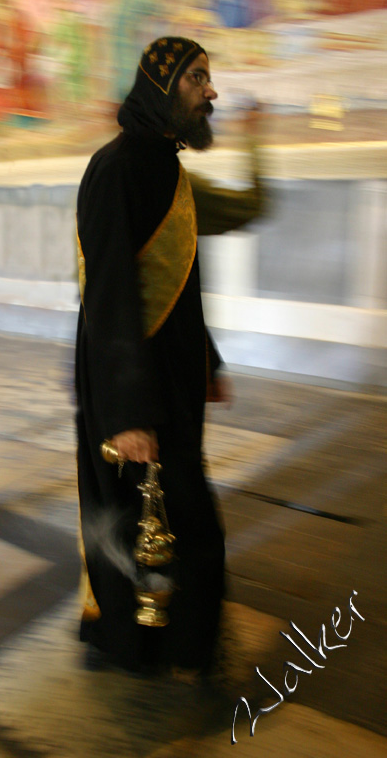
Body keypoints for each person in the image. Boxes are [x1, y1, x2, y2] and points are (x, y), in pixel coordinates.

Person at [75, 36, 263, 678]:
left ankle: (175, 642)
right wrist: (127, 414)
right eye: (197, 79)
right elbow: (110, 296)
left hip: (169, 382)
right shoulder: (118, 167)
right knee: (140, 520)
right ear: (162, 86)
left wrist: (205, 360)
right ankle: (144, 645)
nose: (211, 92)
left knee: (169, 520)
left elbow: (177, 284)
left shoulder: (164, 166)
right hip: (132, 387)